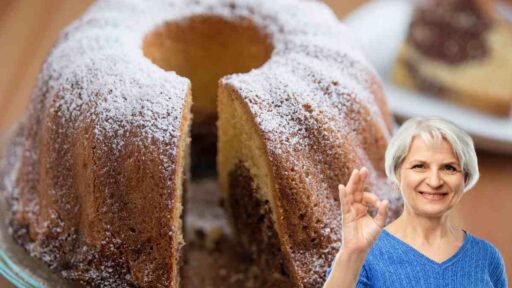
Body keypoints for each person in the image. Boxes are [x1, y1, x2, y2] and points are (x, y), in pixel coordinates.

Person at [323, 117, 507, 288]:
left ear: (465, 178)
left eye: (449, 168)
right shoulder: (365, 254)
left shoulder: (488, 257)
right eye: (419, 166)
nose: (434, 181)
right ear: (397, 174)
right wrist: (352, 252)